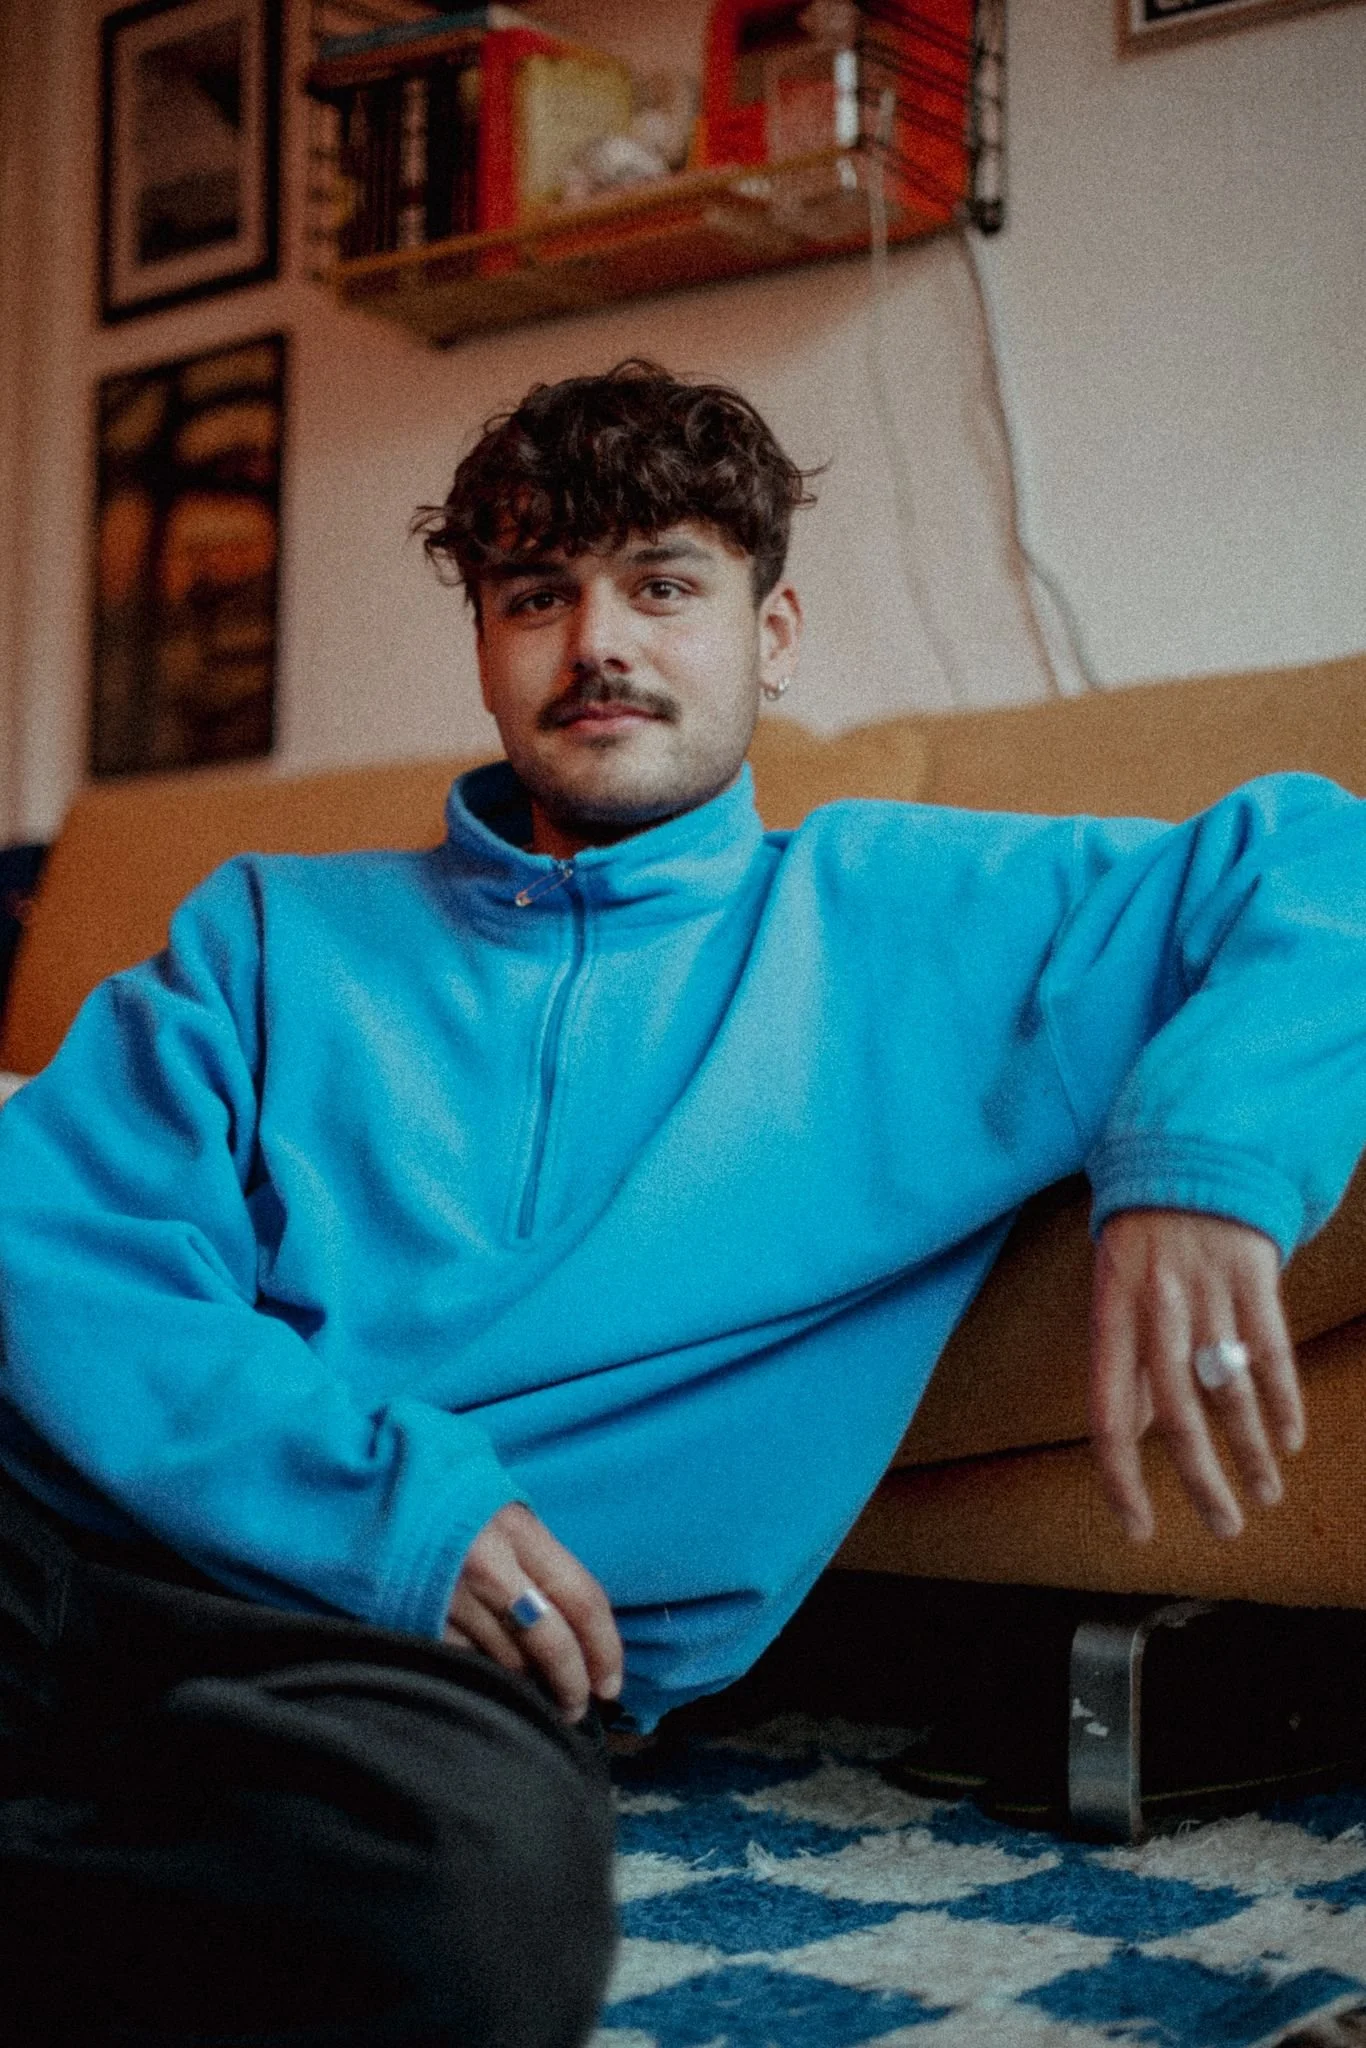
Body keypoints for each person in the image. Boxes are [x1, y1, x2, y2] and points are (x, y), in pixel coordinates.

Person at [1, 357, 1364, 2046]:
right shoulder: (271, 934)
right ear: (486, 642)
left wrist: (1196, 1169)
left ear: (769, 635)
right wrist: (382, 1511)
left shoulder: (898, 917)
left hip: (391, 1673)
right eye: (534, 593)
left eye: (661, 584)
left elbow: (1312, 861)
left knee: (472, 1901)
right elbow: (54, 1237)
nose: (597, 642)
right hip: (69, 1515)